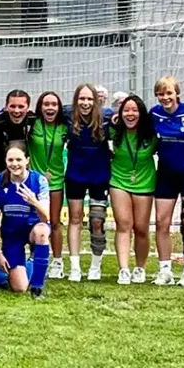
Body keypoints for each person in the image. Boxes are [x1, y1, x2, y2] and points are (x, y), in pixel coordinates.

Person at [150, 76, 184, 288]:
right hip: (166, 174)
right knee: (162, 222)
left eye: (169, 93)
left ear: (177, 93)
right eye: (161, 94)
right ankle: (165, 270)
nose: (166, 97)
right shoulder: (154, 114)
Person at [0, 143, 51, 299]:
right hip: (12, 234)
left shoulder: (39, 181)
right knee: (19, 287)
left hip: (33, 229)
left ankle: (37, 287)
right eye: (10, 160)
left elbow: (46, 217)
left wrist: (34, 201)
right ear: (6, 161)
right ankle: (30, 263)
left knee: (42, 232)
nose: (14, 164)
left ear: (27, 160)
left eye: (19, 160)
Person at [64, 83, 112, 282]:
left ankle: (95, 265)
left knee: (97, 221)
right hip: (75, 174)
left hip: (99, 175)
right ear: (76, 100)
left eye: (89, 99)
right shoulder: (67, 115)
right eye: (81, 99)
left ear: (96, 100)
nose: (85, 103)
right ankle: (74, 266)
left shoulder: (108, 117)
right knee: (74, 219)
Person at [109, 96, 158, 286]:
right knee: (123, 224)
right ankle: (123, 269)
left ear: (141, 113)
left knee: (141, 228)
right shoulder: (113, 129)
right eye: (126, 110)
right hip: (119, 180)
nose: (130, 114)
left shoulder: (151, 132)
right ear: (120, 114)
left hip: (144, 182)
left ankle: (140, 267)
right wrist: (112, 118)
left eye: (135, 110)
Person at [29, 91, 68, 280]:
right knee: (34, 220)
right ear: (40, 107)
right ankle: (33, 257)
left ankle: (58, 261)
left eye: (54, 104)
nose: (50, 108)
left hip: (56, 180)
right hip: (35, 181)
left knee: (54, 221)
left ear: (59, 107)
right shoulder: (32, 125)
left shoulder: (64, 126)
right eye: (46, 104)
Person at [0, 89, 34, 176]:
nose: (16, 111)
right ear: (6, 106)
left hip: (26, 174)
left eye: (21, 107)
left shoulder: (34, 121)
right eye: (12, 106)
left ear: (28, 107)